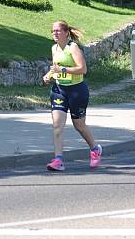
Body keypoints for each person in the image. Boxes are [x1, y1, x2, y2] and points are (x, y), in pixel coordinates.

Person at [42, 20, 102, 171]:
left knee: (79, 125)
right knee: (57, 126)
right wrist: (48, 75)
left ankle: (95, 150)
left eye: (58, 31)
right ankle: (58, 160)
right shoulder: (54, 48)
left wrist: (62, 70)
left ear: (66, 32)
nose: (55, 33)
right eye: (53, 31)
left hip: (76, 91)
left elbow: (83, 69)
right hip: (59, 90)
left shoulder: (72, 47)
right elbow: (55, 68)